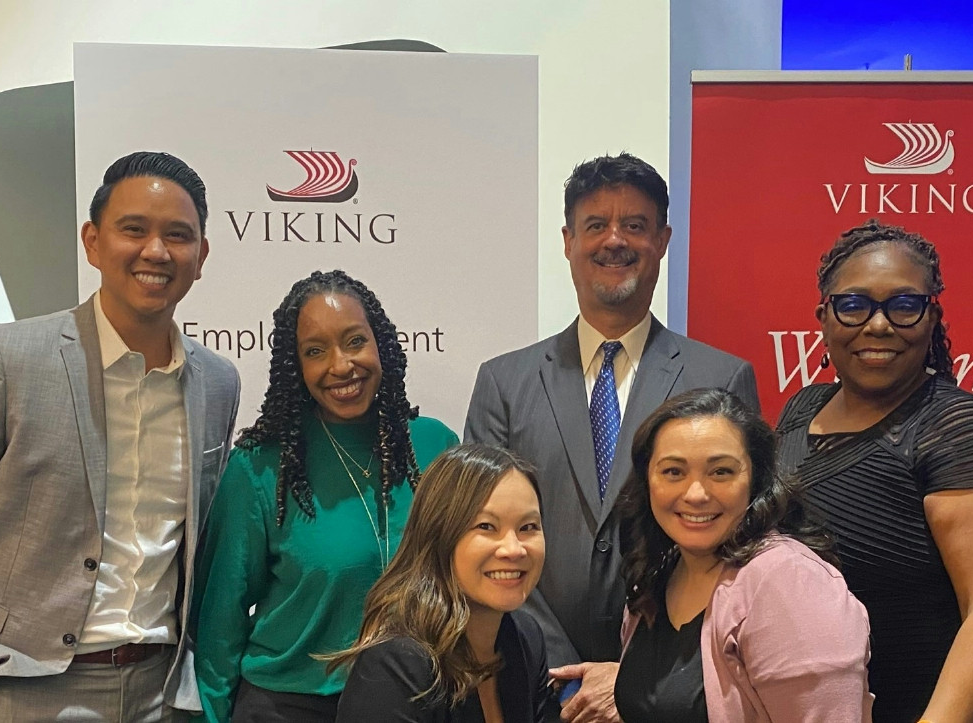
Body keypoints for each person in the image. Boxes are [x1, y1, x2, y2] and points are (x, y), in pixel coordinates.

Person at [0, 151, 241, 721]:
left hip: (165, 692)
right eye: (134, 230)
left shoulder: (218, 382)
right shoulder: (6, 357)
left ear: (201, 257)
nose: (156, 251)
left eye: (178, 235)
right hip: (26, 690)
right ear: (93, 242)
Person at [464, 153, 759, 722]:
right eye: (596, 225)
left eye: (636, 225)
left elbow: (738, 542)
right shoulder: (503, 381)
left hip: (671, 685)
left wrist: (636, 676)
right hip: (530, 680)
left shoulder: (721, 378)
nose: (614, 240)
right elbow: (482, 532)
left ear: (664, 240)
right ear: (568, 241)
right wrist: (562, 675)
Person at [775, 220, 973, 723]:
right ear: (823, 318)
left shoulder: (956, 426)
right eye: (853, 305)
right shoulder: (801, 410)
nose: (878, 325)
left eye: (903, 305)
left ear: (931, 317)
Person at [194, 270, 458, 722]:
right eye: (315, 352)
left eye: (354, 341)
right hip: (289, 705)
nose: (340, 366)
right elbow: (220, 623)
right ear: (295, 367)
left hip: (417, 701)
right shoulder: (260, 468)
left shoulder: (436, 447)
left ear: (382, 345)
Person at [614, 388, 871, 723]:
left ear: (757, 478)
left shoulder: (790, 583)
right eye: (674, 472)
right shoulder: (658, 573)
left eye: (721, 472)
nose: (696, 494)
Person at [330, 444, 553, 722]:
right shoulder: (396, 665)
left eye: (528, 527)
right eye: (486, 526)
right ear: (439, 536)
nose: (514, 549)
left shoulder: (525, 637)